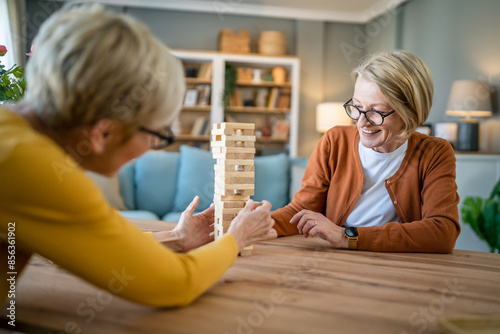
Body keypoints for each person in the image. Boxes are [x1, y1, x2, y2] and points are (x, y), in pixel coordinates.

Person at [0, 4, 277, 307]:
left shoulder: (15, 139)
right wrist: (235, 239)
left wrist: (178, 239)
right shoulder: (35, 170)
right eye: (159, 135)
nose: (152, 147)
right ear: (103, 133)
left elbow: (93, 248)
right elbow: (174, 284)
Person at [272, 50, 460, 253]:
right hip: (335, 263)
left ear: (410, 113)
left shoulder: (435, 153)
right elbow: (301, 211)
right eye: (357, 106)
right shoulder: (334, 141)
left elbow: (442, 232)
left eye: (376, 112)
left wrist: (347, 237)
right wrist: (256, 222)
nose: (361, 122)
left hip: (399, 269)